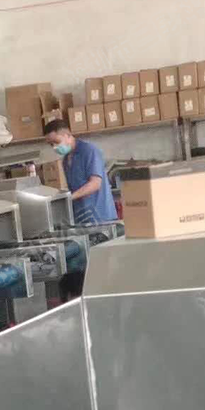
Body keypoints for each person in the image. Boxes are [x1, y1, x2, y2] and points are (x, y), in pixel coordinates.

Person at [43, 119, 118, 300]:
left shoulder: (89, 151)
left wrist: (69, 198)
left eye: (56, 142)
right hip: (81, 222)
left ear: (67, 135)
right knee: (84, 273)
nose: (55, 147)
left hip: (100, 219)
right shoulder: (66, 160)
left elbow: (95, 183)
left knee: (102, 273)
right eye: (51, 144)